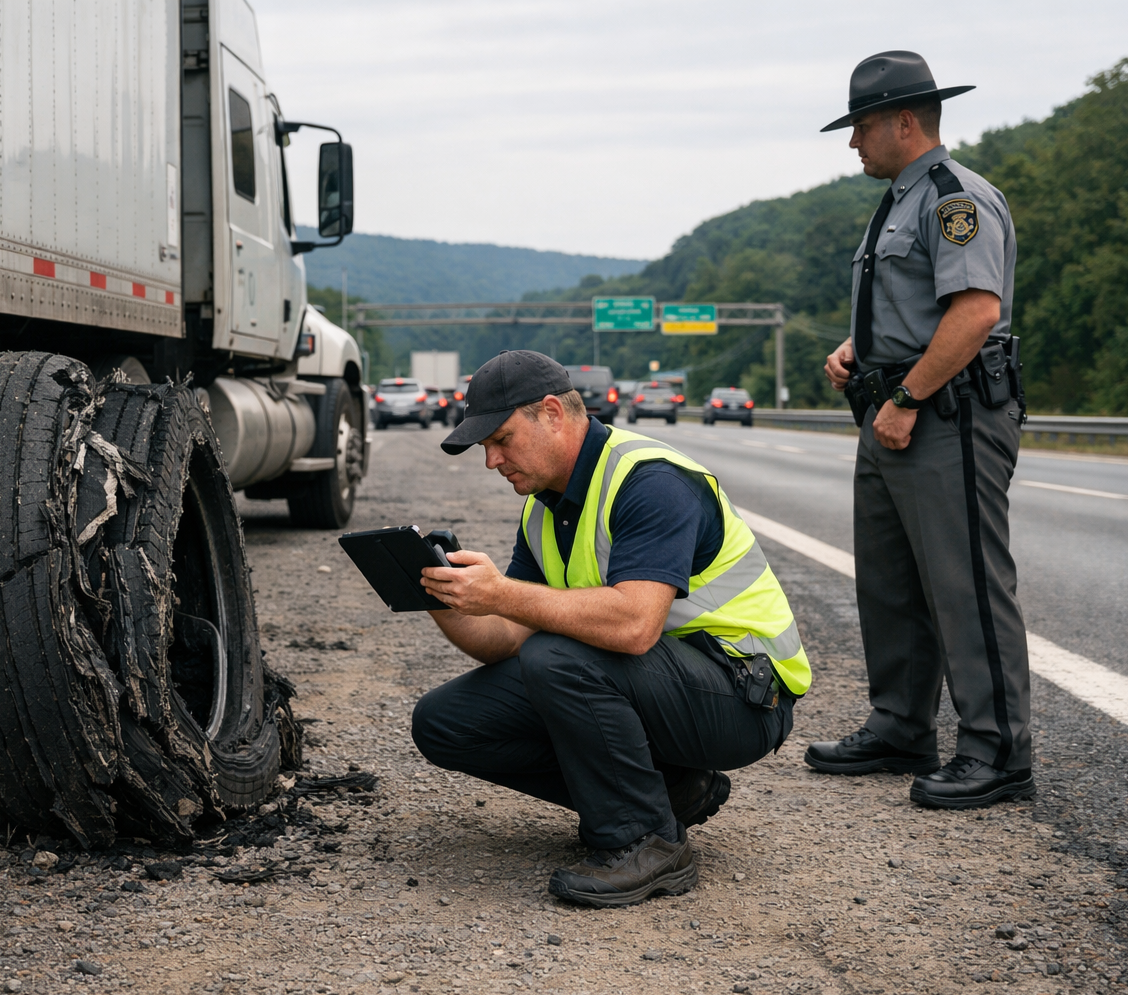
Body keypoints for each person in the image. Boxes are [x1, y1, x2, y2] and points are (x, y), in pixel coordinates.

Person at [408, 350, 811, 907]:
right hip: (666, 687)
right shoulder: (544, 506)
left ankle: (646, 841)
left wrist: (502, 593)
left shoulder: (649, 480)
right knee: (445, 722)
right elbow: (506, 638)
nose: (491, 460)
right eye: (484, 447)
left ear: (551, 412)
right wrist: (443, 597)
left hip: (744, 696)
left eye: (500, 439)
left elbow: (634, 626)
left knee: (558, 657)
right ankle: (672, 790)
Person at [806, 51, 1033, 809]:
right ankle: (902, 725)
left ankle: (997, 752)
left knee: (963, 582)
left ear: (905, 120)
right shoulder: (900, 200)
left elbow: (975, 312)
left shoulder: (951, 197)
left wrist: (903, 397)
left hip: (946, 412)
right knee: (891, 581)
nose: (853, 142)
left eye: (862, 126)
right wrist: (857, 354)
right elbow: (917, 309)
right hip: (896, 406)